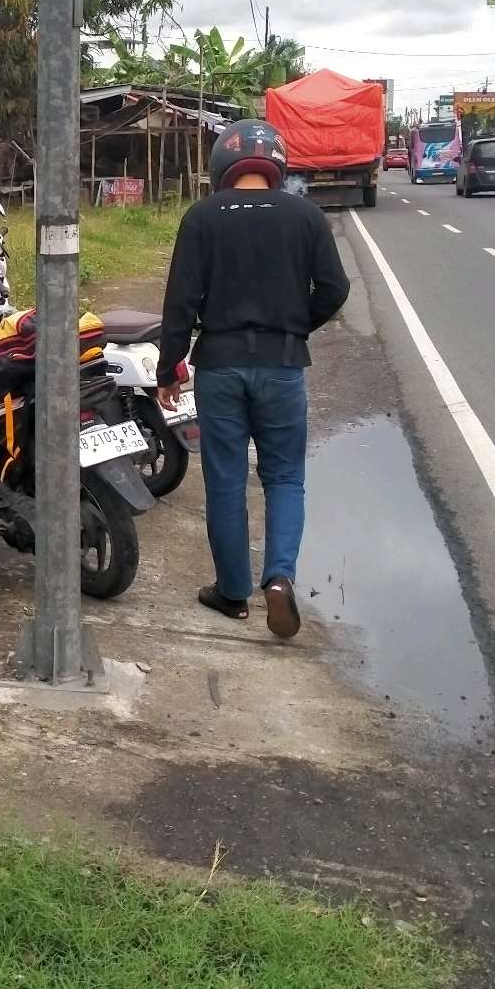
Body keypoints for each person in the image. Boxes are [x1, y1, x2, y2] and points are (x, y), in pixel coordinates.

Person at [156, 119, 350, 638]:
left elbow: (180, 302)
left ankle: (233, 592)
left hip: (219, 367)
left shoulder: (202, 216)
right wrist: (293, 327)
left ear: (223, 163)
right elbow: (334, 289)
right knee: (284, 477)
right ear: (277, 164)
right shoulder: (305, 215)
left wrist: (168, 368)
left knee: (225, 480)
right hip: (282, 366)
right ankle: (279, 577)